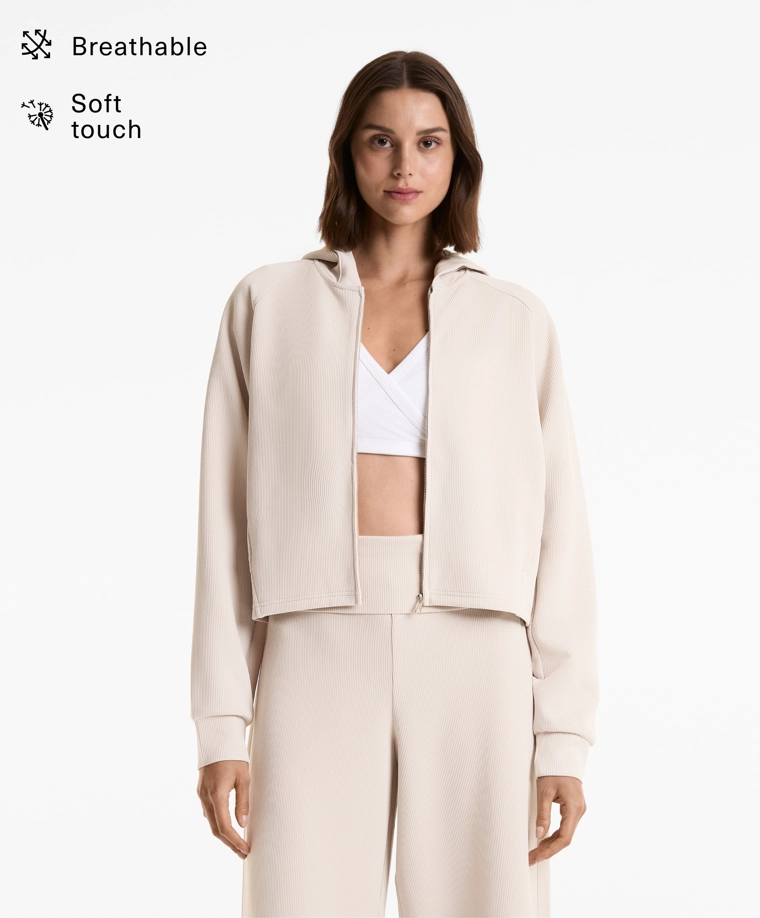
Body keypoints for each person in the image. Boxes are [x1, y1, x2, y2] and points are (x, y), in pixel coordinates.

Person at [190, 49, 599, 918]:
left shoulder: (513, 319)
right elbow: (224, 525)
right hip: (311, 640)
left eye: (429, 142)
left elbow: (559, 530)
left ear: (458, 159)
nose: (405, 165)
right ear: (348, 151)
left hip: (476, 645)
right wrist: (223, 725)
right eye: (381, 140)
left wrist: (562, 735)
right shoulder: (268, 304)